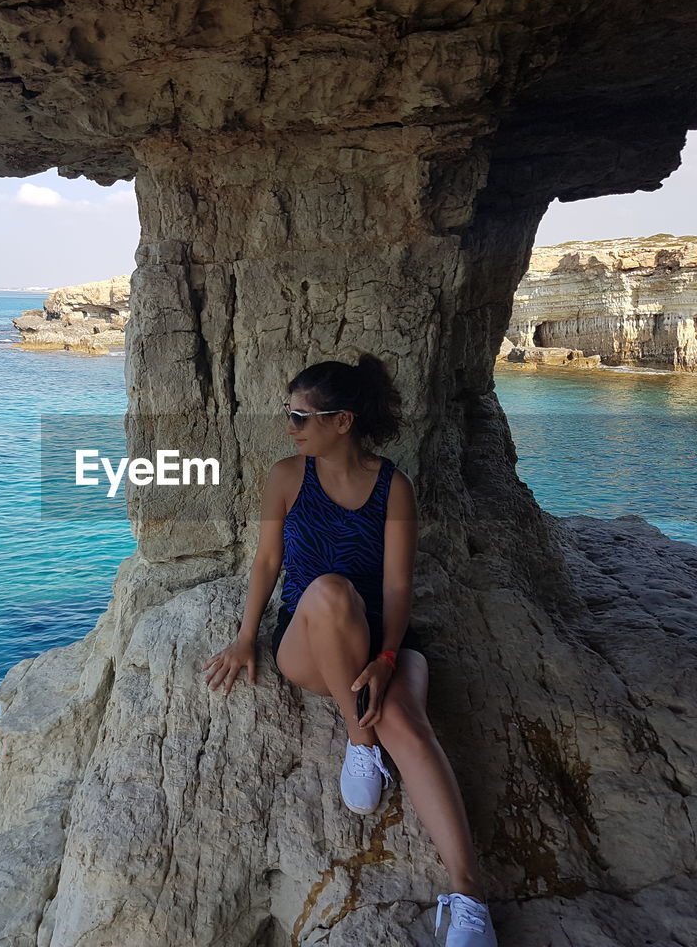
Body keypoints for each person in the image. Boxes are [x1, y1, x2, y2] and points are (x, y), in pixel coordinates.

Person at [201, 353, 499, 947]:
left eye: (301, 417)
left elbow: (396, 586)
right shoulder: (287, 476)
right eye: (290, 416)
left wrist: (387, 658)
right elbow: (266, 562)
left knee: (410, 729)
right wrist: (244, 635)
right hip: (306, 640)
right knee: (330, 591)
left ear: (343, 421)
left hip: (378, 640)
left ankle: (469, 899)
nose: (291, 427)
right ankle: (359, 741)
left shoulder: (393, 487)